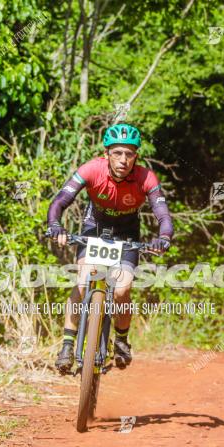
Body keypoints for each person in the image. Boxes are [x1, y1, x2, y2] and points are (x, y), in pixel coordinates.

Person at [47, 123, 174, 373]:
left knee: (121, 290)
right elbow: (61, 199)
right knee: (83, 283)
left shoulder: (146, 177)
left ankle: (122, 340)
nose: (123, 159)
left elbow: (163, 215)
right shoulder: (91, 169)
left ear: (136, 156)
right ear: (106, 154)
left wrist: (165, 237)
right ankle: (67, 345)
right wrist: (55, 225)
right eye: (117, 153)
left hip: (126, 233)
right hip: (94, 227)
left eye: (129, 154)